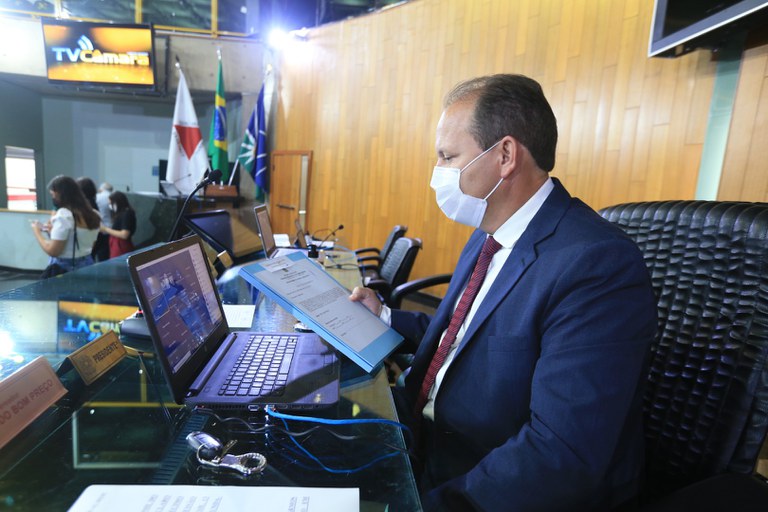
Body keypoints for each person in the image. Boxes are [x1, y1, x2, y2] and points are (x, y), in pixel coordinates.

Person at [350, 74, 657, 511]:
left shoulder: (597, 264)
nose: (438, 173)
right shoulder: (487, 235)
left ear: (506, 156)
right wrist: (384, 317)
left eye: (448, 156)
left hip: (472, 480)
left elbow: (560, 456)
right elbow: (470, 336)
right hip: (414, 441)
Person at [31, 175, 101, 277]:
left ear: (59, 194)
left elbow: (53, 251)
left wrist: (37, 232)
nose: (53, 198)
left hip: (65, 268)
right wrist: (53, 232)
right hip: (87, 264)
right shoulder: (95, 215)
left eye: (53, 194)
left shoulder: (64, 216)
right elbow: (89, 244)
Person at [99, 191, 136, 258]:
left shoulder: (127, 213)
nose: (110, 206)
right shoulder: (120, 213)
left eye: (111, 203)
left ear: (117, 202)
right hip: (116, 243)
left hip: (121, 246)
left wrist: (106, 229)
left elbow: (124, 234)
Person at [93, 182, 113, 261]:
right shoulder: (113, 196)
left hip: (99, 228)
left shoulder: (97, 197)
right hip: (112, 229)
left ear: (101, 189)